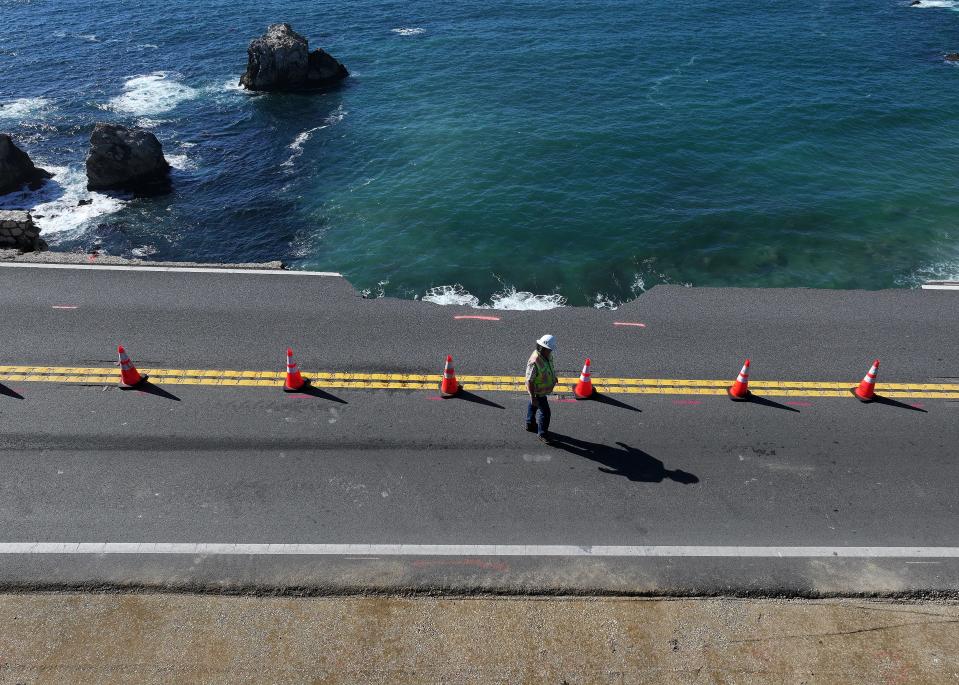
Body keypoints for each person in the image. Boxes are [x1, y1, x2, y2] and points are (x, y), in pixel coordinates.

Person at [526, 334, 557, 444]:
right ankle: (542, 433)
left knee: (533, 405)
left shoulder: (547, 356)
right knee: (546, 413)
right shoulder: (535, 361)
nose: (550, 351)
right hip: (538, 392)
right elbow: (530, 381)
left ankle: (530, 423)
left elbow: (549, 367)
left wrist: (554, 378)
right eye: (549, 349)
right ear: (544, 348)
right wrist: (533, 396)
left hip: (541, 391)